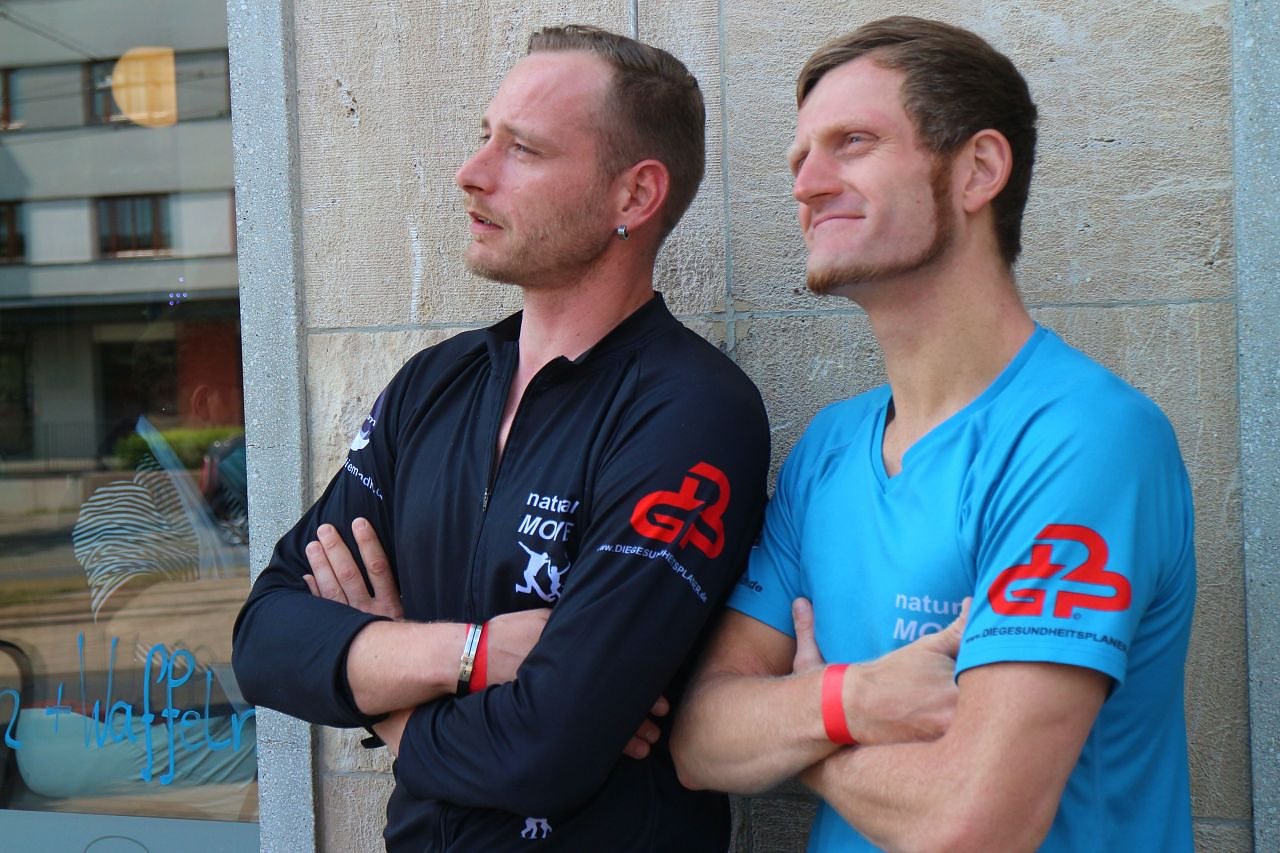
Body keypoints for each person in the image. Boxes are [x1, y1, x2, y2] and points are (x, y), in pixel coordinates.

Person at [230, 24, 769, 852]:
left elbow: (544, 749)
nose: (471, 172)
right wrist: (472, 654)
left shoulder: (692, 409)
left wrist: (385, 691)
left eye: (523, 148)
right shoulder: (435, 384)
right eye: (486, 135)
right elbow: (265, 638)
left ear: (634, 196)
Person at [671, 16, 1195, 853]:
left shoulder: (1084, 441)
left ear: (978, 169)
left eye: (853, 142)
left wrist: (803, 724)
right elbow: (699, 735)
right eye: (800, 159)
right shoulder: (829, 448)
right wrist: (856, 700)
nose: (808, 185)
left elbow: (973, 827)